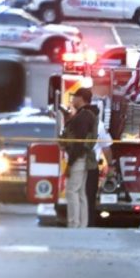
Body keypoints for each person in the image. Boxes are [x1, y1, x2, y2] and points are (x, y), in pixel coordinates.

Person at [61, 88, 96, 228]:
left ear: (81, 98)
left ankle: (74, 224)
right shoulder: (88, 115)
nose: (72, 100)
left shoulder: (83, 117)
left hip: (78, 158)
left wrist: (70, 163)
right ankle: (82, 225)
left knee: (72, 191)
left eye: (74, 97)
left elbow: (78, 143)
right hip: (84, 157)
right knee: (80, 192)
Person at [85, 104, 111, 227]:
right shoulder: (99, 126)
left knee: (79, 195)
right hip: (92, 167)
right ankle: (89, 222)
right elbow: (107, 148)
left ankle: (80, 221)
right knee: (90, 196)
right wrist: (109, 166)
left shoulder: (78, 122)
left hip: (79, 165)